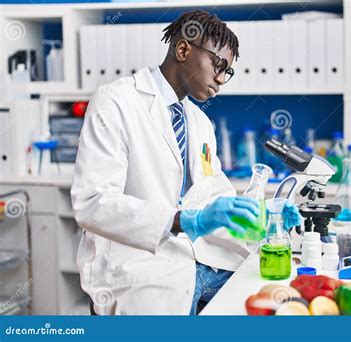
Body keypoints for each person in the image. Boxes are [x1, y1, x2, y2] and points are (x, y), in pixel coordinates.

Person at [71, 10, 301, 315]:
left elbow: (215, 198)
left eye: (228, 72)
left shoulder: (200, 122)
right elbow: (94, 204)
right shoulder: (115, 102)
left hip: (200, 260)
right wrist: (182, 221)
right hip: (139, 267)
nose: (221, 79)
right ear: (183, 50)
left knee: (278, 295)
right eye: (218, 65)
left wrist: (262, 217)